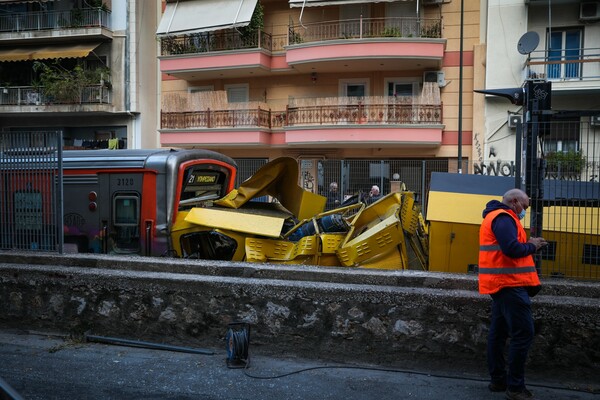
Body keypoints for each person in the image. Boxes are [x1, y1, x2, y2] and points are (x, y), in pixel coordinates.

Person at [479, 188, 547, 400]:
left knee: (498, 333)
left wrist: (528, 245)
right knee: (524, 333)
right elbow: (512, 249)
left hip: (502, 284)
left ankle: (498, 381)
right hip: (509, 284)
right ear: (515, 201)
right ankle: (515, 387)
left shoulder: (497, 217)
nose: (524, 211)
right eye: (525, 207)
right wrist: (532, 246)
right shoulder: (504, 218)